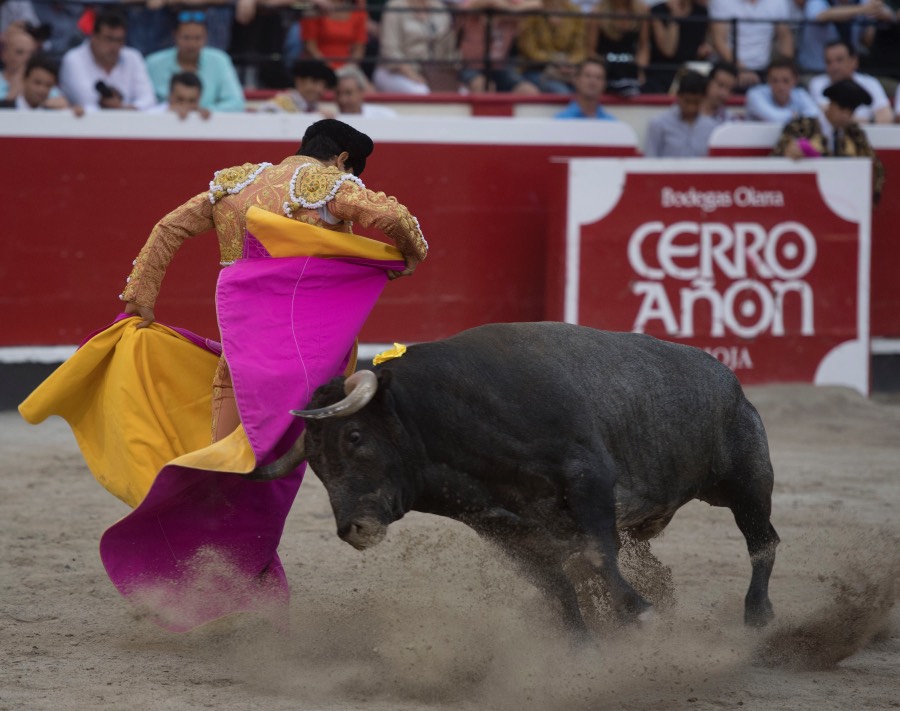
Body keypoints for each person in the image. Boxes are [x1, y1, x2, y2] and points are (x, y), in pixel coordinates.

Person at [20, 119, 428, 633]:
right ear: (343, 158)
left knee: (228, 474)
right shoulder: (329, 186)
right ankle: (255, 588)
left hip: (236, 365)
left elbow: (167, 230)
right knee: (284, 471)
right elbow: (396, 219)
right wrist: (409, 258)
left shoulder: (233, 185)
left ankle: (213, 591)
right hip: (303, 367)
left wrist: (139, 302)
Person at [772, 78, 885, 202]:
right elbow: (775, 163)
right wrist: (788, 156)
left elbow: (875, 169)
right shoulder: (801, 127)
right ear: (831, 104)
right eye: (841, 109)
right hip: (803, 200)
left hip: (845, 202)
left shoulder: (855, 134)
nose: (845, 116)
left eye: (851, 111)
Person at [145, 9, 245, 113]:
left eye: (197, 38)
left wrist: (206, 112)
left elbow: (236, 103)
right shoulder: (153, 63)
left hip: (209, 127)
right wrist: (166, 110)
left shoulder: (220, 60)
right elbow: (144, 104)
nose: (192, 44)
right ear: (174, 36)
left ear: (206, 37)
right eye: (186, 38)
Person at [58, 7, 156, 112]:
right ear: (94, 36)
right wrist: (122, 108)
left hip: (128, 125)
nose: (114, 46)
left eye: (119, 40)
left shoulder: (133, 57)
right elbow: (86, 101)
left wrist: (127, 108)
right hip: (84, 126)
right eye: (109, 39)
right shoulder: (73, 59)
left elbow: (149, 100)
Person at [454, 0, 541, 94]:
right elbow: (483, 3)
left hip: (500, 67)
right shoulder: (472, 7)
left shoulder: (511, 6)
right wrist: (510, 12)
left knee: (529, 91)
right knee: (484, 87)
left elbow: (536, 4)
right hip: (470, 66)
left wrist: (506, 13)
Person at [374, 0, 459, 93]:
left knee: (462, 92)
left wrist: (448, 74)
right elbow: (389, 50)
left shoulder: (439, 7)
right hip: (395, 72)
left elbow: (449, 48)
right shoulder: (394, 6)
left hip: (434, 72)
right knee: (421, 91)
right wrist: (411, 74)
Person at [708, 0, 795, 90]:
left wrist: (785, 69)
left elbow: (785, 37)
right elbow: (719, 41)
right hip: (729, 68)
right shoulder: (721, 2)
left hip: (764, 70)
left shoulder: (778, 2)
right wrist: (742, 69)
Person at [807, 40, 893, 123]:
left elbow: (886, 116)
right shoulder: (818, 83)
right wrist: (868, 121)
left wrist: (866, 123)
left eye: (839, 60)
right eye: (828, 62)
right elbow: (832, 116)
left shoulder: (870, 83)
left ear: (854, 61)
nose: (834, 67)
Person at [796, 0, 889, 75]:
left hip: (850, 73)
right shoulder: (816, 2)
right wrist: (863, 10)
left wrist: (874, 14)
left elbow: (890, 16)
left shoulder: (863, 3)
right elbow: (821, 16)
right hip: (814, 72)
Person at [516, 0, 587, 94]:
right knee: (562, 92)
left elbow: (580, 50)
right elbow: (528, 49)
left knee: (584, 91)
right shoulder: (533, 10)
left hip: (568, 71)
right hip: (537, 69)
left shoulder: (575, 12)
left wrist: (569, 63)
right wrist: (553, 60)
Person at [587, 0, 652, 96]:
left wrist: (640, 70)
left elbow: (644, 46)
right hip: (606, 67)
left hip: (631, 67)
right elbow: (590, 50)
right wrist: (601, 70)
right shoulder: (597, 12)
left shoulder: (642, 10)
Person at [644, 70, 717, 155]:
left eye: (696, 103)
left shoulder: (712, 127)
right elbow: (650, 159)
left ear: (703, 99)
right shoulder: (659, 124)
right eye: (687, 101)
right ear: (678, 96)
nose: (691, 108)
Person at [648, 0, 711, 93]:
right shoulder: (657, 11)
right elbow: (668, 51)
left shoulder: (701, 12)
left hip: (693, 70)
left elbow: (706, 44)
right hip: (664, 71)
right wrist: (674, 18)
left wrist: (705, 49)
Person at [745, 57, 819, 122]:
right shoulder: (755, 94)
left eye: (785, 81)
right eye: (775, 81)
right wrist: (794, 116)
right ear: (768, 80)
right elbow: (773, 118)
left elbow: (814, 115)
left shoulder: (800, 94)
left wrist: (795, 117)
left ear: (795, 80)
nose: (780, 86)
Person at [300, 0, 369, 69]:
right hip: (318, 65)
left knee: (352, 79)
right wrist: (330, 67)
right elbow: (310, 47)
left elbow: (359, 49)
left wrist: (349, 67)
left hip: (347, 69)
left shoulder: (358, 13)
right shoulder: (314, 11)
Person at [0, 53, 78, 111]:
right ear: (24, 80)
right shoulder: (3, 108)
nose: (42, 89)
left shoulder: (53, 112)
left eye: (48, 85)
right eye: (37, 83)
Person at [260, 58, 337, 113]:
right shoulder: (275, 106)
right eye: (315, 82)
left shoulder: (317, 109)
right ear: (299, 81)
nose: (319, 89)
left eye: (324, 86)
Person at [335, 63, 399, 115]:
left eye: (348, 93)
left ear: (361, 93)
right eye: (338, 94)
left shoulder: (384, 116)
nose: (342, 99)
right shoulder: (332, 120)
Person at [145, 71, 211, 119]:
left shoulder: (205, 117)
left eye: (192, 101)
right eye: (180, 99)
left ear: (199, 99)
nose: (186, 105)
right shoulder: (149, 115)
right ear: (170, 95)